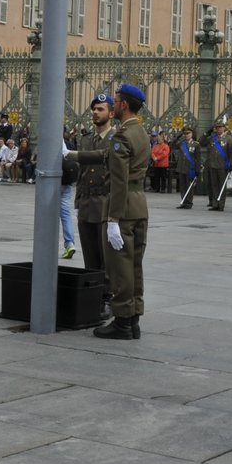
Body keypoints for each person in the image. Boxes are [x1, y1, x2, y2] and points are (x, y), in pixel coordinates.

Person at [72, 83, 149, 340]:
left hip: (122, 207)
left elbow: (118, 180)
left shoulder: (122, 136)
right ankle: (133, 318)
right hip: (139, 204)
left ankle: (123, 322)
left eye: (115, 102)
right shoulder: (141, 132)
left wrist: (113, 219)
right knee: (134, 265)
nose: (113, 106)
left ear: (124, 105)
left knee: (120, 268)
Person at [74, 94, 113, 303]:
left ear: (111, 113)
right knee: (90, 253)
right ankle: (92, 293)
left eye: (101, 109)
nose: (96, 113)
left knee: (105, 254)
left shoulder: (116, 139)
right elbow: (82, 171)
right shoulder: (87, 138)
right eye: (94, 109)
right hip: (87, 201)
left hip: (105, 200)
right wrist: (78, 200)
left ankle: (106, 295)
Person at [203, 120, 232, 211]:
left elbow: (231, 152)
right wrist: (206, 133)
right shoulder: (212, 138)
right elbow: (201, 142)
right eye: (217, 127)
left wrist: (230, 164)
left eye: (221, 127)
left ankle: (221, 204)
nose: (219, 129)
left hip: (223, 166)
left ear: (224, 128)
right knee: (214, 185)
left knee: (222, 186)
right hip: (212, 165)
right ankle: (215, 204)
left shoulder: (228, 138)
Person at [173, 128, 198, 207]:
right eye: (185, 133)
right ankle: (183, 201)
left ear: (192, 134)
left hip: (190, 168)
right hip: (181, 167)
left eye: (188, 133)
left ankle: (189, 202)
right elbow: (172, 146)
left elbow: (198, 158)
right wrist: (177, 137)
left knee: (189, 186)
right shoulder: (181, 143)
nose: (186, 135)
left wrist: (197, 169)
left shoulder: (195, 144)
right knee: (182, 186)